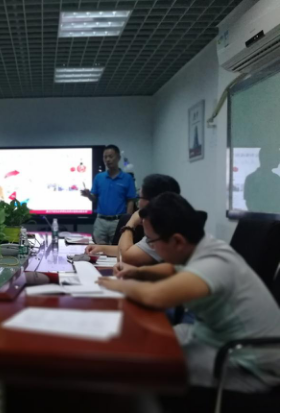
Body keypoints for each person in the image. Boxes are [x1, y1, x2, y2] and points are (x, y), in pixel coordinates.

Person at [98, 193, 280, 393]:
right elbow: (172, 269)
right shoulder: (202, 246)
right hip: (212, 335)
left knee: (143, 365)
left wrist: (115, 285)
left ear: (177, 241)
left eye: (151, 242)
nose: (151, 247)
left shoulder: (214, 263)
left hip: (246, 363)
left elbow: (154, 296)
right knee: (139, 343)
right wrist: (138, 272)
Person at [85, 174, 181, 264]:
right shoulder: (163, 221)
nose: (138, 203)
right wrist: (101, 248)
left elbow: (124, 257)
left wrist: (131, 223)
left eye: (139, 197)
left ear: (151, 201)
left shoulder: (164, 230)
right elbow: (133, 250)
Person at [81, 145, 136, 244]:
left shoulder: (127, 178)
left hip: (118, 221)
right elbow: (94, 199)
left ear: (118, 157)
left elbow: (130, 201)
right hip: (100, 221)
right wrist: (88, 195)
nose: (107, 160)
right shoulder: (99, 177)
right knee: (98, 250)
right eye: (105, 157)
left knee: (117, 249)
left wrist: (128, 222)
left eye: (110, 156)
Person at [244, 147, 280, 214]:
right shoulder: (251, 179)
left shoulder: (277, 179)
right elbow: (250, 203)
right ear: (266, 158)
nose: (279, 161)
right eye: (277, 157)